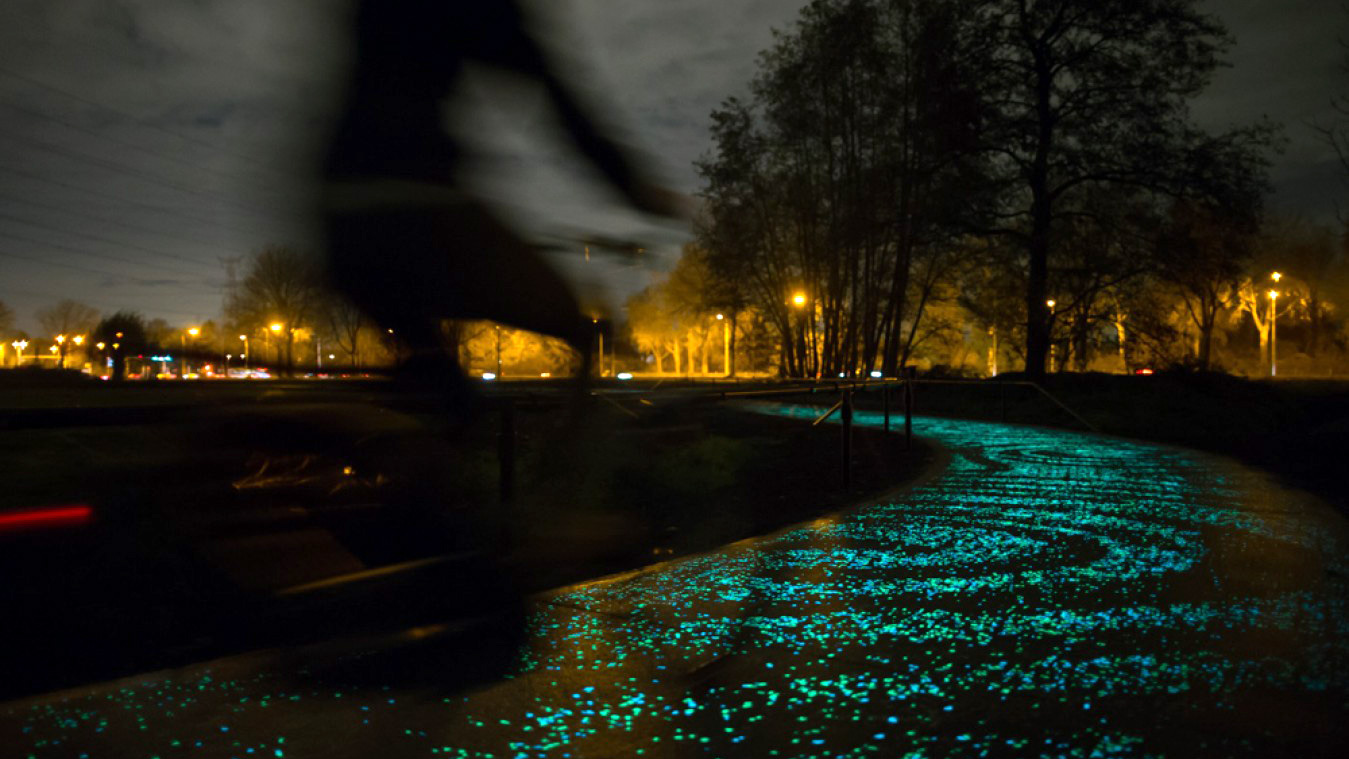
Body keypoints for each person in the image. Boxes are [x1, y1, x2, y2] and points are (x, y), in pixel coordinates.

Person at [323, 0, 683, 393]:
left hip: (337, 216)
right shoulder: (487, 10)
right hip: (418, 210)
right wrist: (637, 190)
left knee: (434, 375)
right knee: (576, 322)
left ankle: (421, 430)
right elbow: (559, 104)